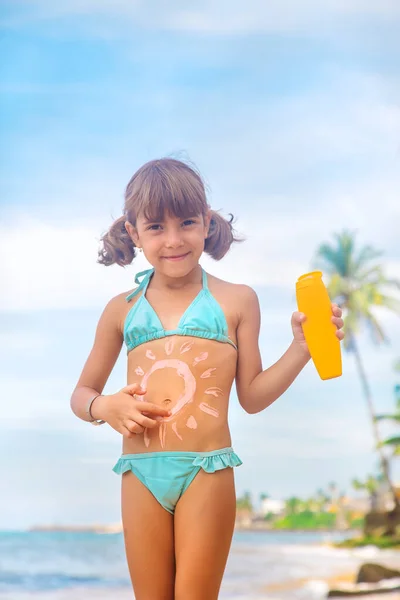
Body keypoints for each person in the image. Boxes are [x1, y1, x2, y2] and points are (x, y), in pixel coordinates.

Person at [70, 158, 344, 599]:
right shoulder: (121, 308)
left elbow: (252, 397)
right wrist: (104, 406)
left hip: (207, 471)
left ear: (207, 223)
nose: (174, 240)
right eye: (156, 227)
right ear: (134, 232)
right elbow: (81, 394)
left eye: (187, 223)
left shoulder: (237, 300)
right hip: (139, 473)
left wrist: (302, 348)